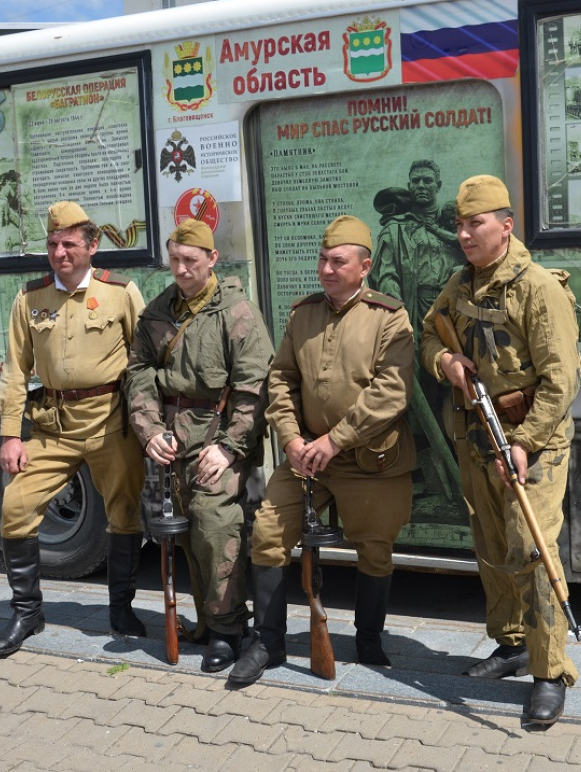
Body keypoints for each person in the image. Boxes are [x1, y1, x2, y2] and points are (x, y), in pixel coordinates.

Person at [227, 215, 416, 686]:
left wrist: (336, 440)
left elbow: (390, 394)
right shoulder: (302, 314)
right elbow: (282, 380)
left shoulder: (389, 318)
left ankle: (369, 639)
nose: (327, 269)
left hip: (369, 460)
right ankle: (267, 643)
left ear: (365, 266)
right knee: (267, 532)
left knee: (375, 550)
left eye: (338, 261)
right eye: (323, 260)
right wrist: (291, 438)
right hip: (305, 458)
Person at [420, 175, 580, 727]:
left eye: (475, 224)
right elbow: (427, 333)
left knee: (531, 547)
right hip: (477, 436)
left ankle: (550, 670)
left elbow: (562, 380)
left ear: (505, 226)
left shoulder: (537, 288)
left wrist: (526, 442)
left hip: (532, 440)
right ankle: (512, 645)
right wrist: (445, 361)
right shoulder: (460, 286)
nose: (464, 234)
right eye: (460, 225)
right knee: (491, 543)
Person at [0, 201, 147, 657]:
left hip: (109, 423)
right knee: (15, 505)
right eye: (53, 244)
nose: (60, 253)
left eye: (69, 244)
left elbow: (144, 363)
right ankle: (27, 614)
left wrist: (149, 425)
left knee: (124, 514)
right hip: (52, 427)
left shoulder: (120, 293)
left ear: (92, 246)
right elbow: (15, 371)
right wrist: (9, 434)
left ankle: (121, 610)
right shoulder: (30, 298)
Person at [126, 219, 273, 673]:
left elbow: (254, 387)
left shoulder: (237, 312)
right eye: (174, 259)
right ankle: (210, 620)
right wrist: (149, 431)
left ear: (212, 259)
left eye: (191, 260)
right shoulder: (156, 313)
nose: (181, 269)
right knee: (184, 533)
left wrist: (229, 448)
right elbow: (138, 374)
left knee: (215, 523)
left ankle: (228, 631)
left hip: (221, 435)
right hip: (172, 439)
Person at [368, 160, 464, 498]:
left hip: (453, 319)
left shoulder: (456, 226)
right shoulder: (396, 229)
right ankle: (424, 478)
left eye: (427, 180)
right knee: (415, 396)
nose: (420, 186)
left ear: (438, 184)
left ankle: (459, 473)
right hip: (415, 312)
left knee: (453, 394)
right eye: (415, 181)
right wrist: (398, 312)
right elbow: (385, 274)